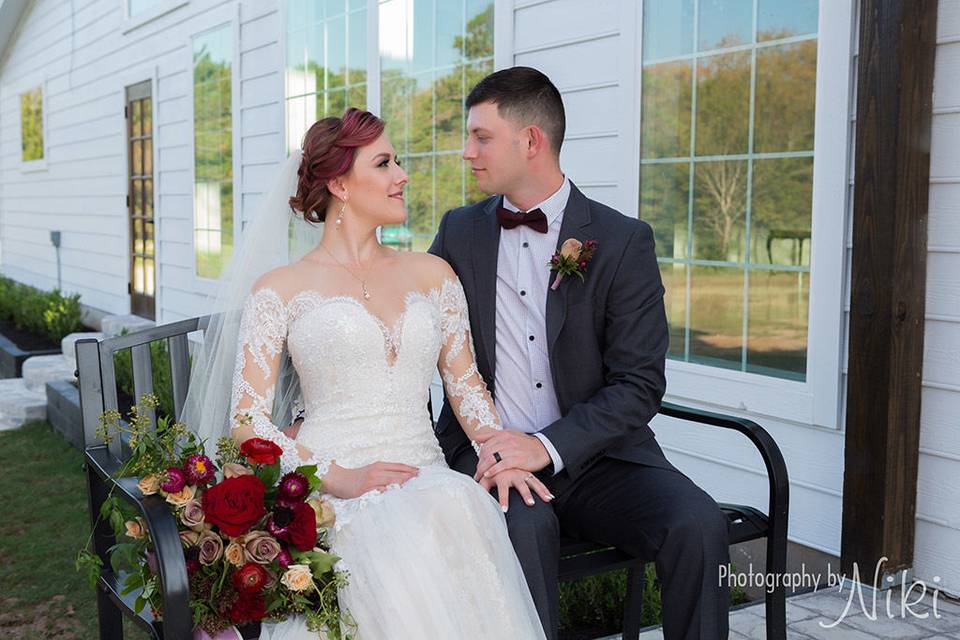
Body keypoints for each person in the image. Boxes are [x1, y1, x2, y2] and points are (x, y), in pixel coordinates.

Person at [185, 108, 546, 639]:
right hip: (333, 492)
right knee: (386, 552)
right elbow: (247, 422)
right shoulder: (279, 289)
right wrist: (339, 477)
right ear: (339, 183)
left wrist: (499, 452)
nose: (402, 175)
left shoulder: (433, 274)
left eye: (397, 161)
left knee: (451, 510)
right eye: (384, 163)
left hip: (427, 476)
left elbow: (466, 385)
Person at [428, 66, 731, 640]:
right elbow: (411, 324)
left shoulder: (621, 241)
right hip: (489, 457)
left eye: (480, 137)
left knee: (697, 524)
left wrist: (544, 448)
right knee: (526, 527)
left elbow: (639, 384)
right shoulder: (458, 232)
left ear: (531, 141)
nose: (467, 152)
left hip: (599, 460)